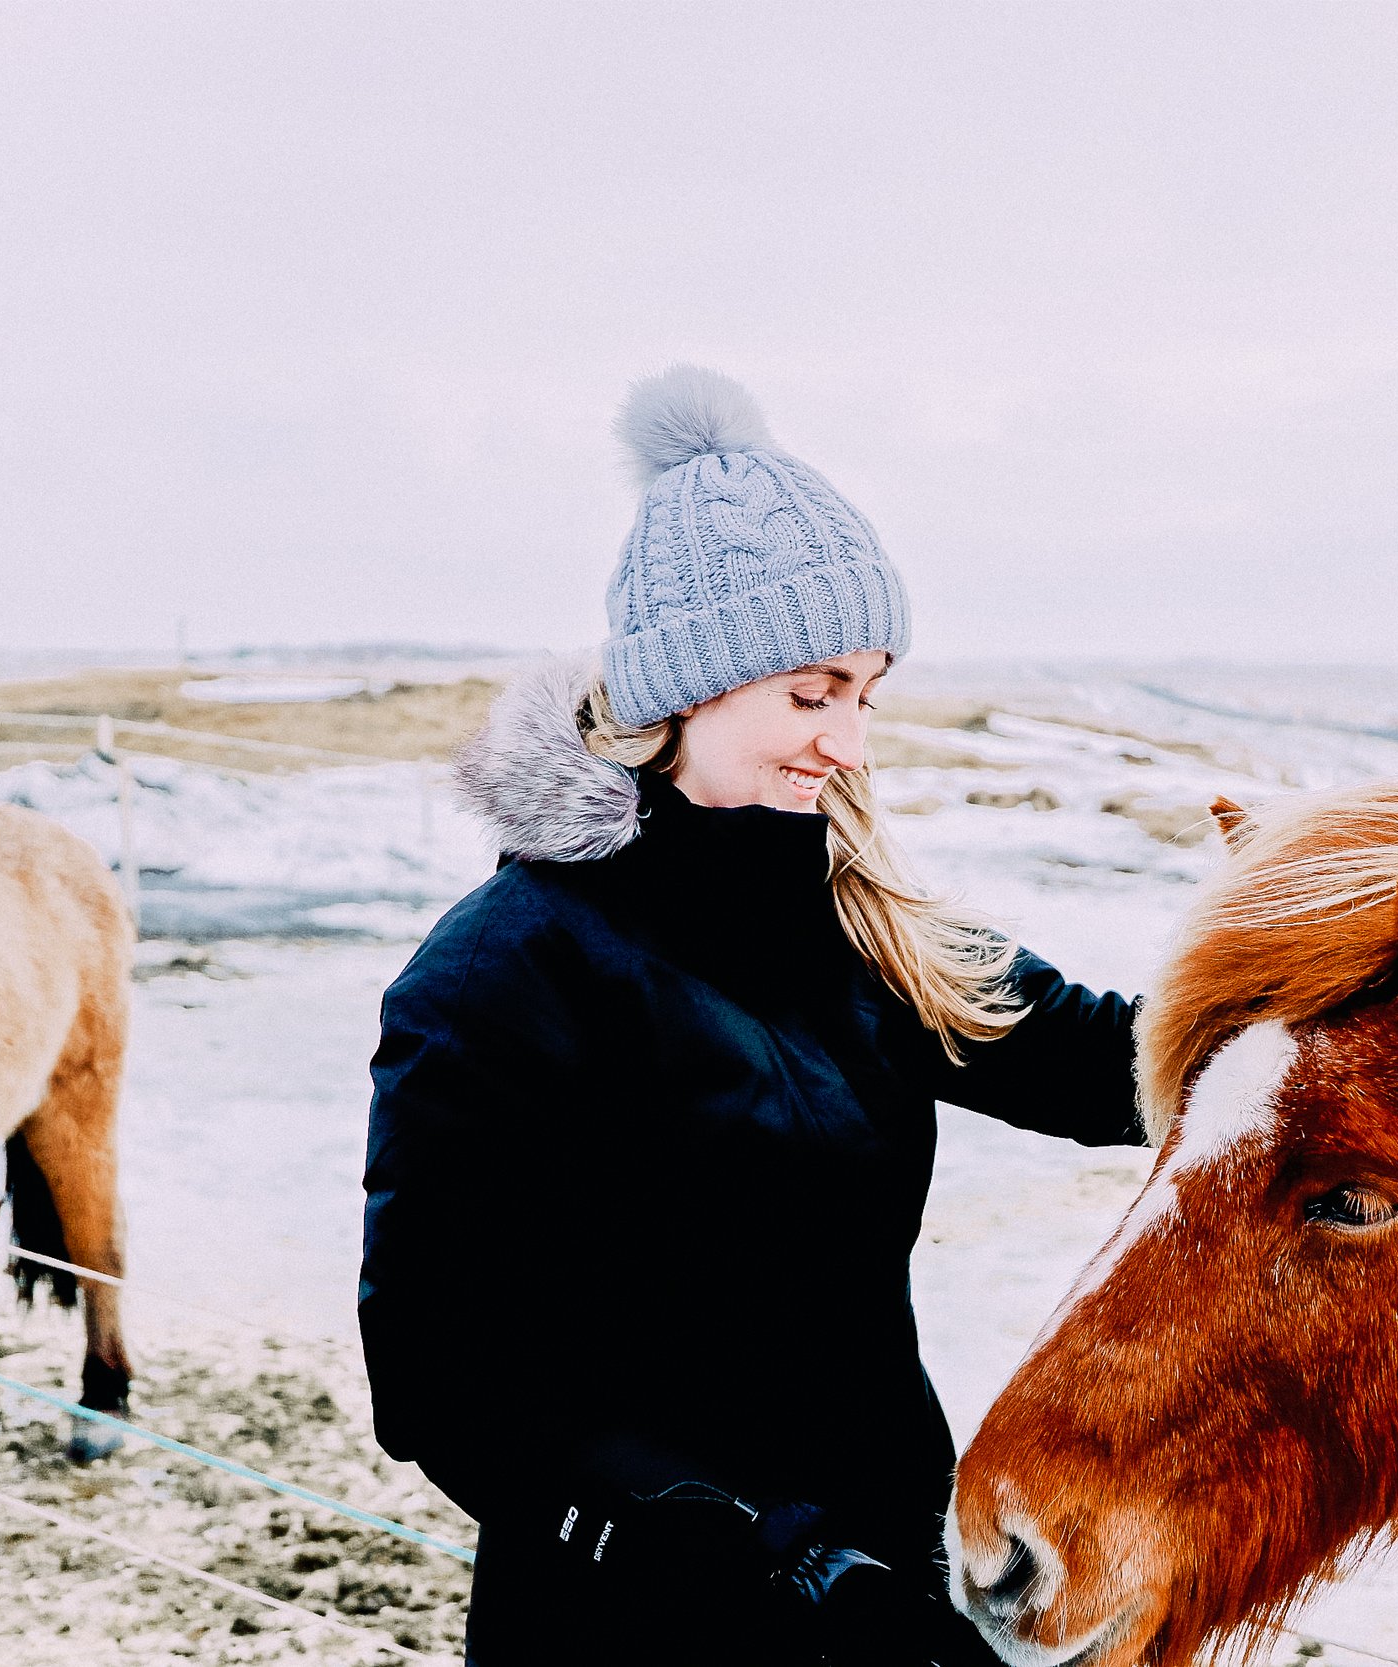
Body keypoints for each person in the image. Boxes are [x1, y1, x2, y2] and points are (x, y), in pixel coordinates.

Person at [358, 367, 1146, 1665]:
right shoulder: (498, 981)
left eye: (866, 693)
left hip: (897, 1579)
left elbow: (1108, 1062)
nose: (847, 736)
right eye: (811, 691)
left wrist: (1358, 998)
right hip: (641, 1620)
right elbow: (445, 1383)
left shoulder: (866, 931)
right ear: (691, 684)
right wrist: (765, 1558)